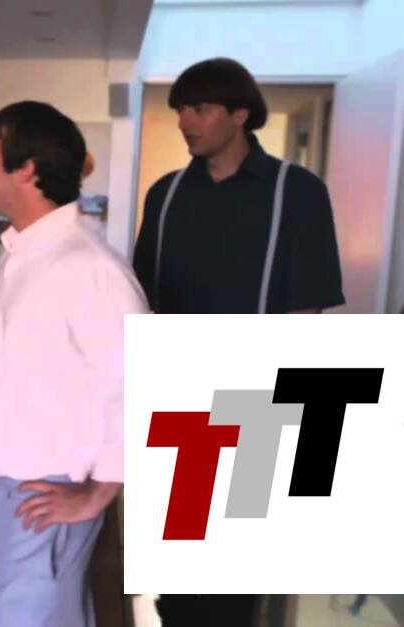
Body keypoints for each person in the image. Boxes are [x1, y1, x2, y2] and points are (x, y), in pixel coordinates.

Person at [131, 58, 345, 625]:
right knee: (177, 576)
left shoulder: (296, 191)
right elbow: (143, 300)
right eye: (181, 108)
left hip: (259, 405)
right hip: (180, 405)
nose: (185, 121)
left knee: (234, 582)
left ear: (240, 114)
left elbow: (306, 310)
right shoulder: (166, 194)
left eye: (199, 108)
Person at [0, 101, 147, 626]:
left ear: (27, 169)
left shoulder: (88, 266)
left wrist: (99, 493)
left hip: (44, 494)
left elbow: (141, 383)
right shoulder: (21, 254)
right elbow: (15, 371)